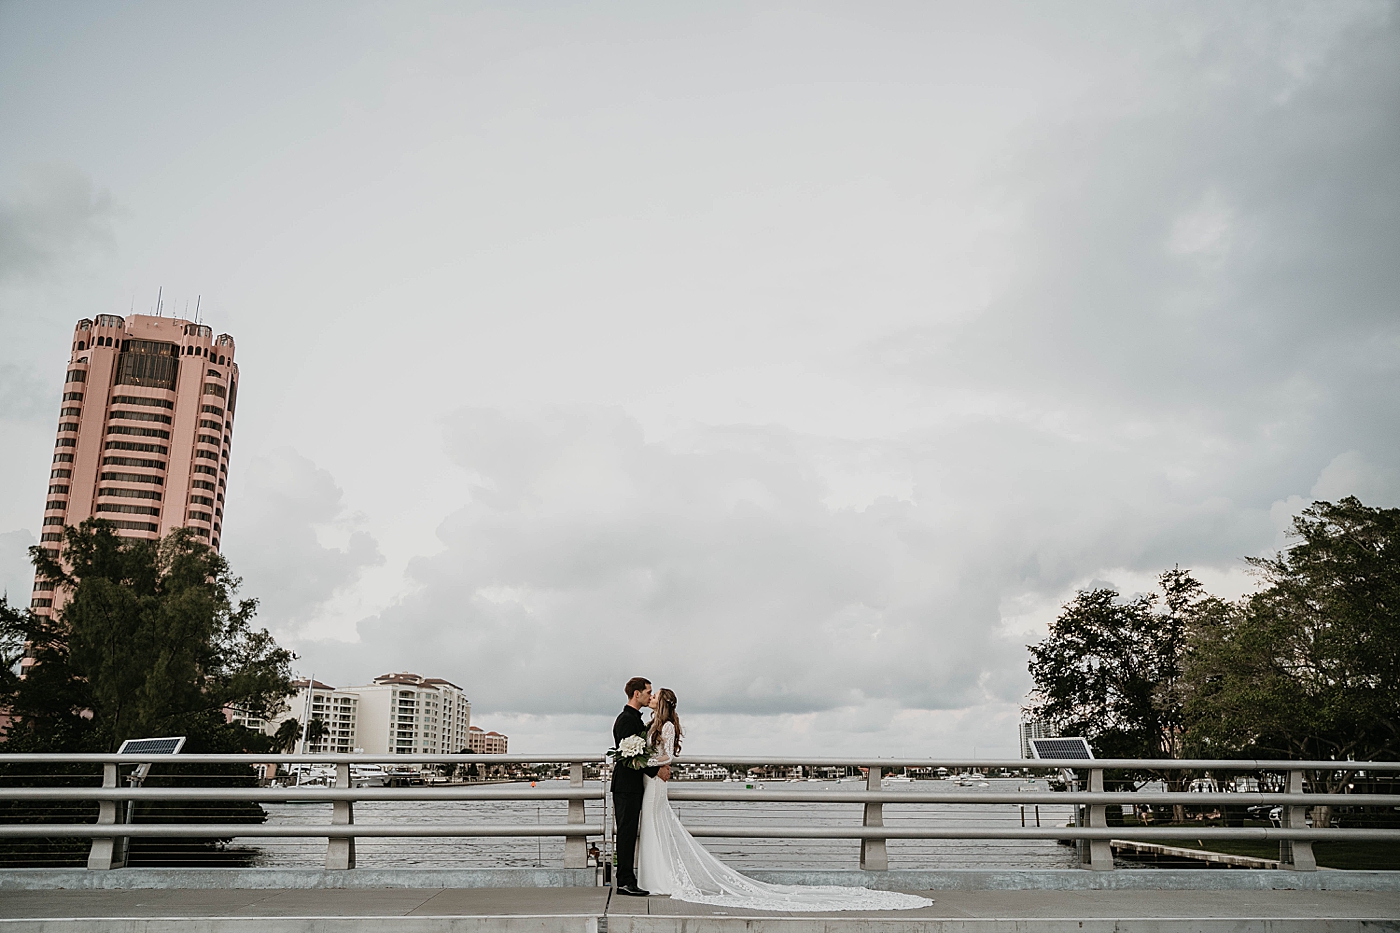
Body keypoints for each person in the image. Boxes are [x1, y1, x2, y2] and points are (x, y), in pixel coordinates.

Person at [634, 687, 932, 911]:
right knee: (652, 827)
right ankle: (654, 877)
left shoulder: (669, 726)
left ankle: (660, 879)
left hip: (656, 784)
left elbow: (668, 755)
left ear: (663, 702)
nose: (652, 697)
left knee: (655, 824)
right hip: (652, 782)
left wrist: (643, 761)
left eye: (655, 695)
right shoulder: (654, 724)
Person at [611, 676, 661, 896]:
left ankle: (627, 879)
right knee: (626, 833)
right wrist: (656, 770)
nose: (650, 696)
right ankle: (624, 881)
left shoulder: (634, 719)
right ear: (636, 693)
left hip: (631, 786)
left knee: (629, 832)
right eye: (648, 692)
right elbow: (628, 757)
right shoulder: (626, 720)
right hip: (625, 786)